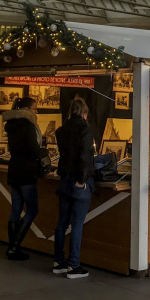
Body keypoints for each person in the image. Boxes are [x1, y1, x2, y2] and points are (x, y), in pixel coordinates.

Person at [53, 98, 94, 279]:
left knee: (62, 222)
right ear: (84, 113)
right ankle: (73, 265)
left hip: (64, 178)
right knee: (77, 224)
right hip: (78, 181)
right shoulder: (85, 129)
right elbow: (85, 157)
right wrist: (82, 180)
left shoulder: (61, 130)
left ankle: (58, 262)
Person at [1, 97, 42, 260]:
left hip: (14, 170)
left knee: (16, 209)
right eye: (35, 109)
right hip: (27, 171)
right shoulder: (28, 126)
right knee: (32, 209)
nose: (36, 112)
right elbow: (34, 149)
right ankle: (14, 246)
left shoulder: (11, 126)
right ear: (27, 110)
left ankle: (12, 247)